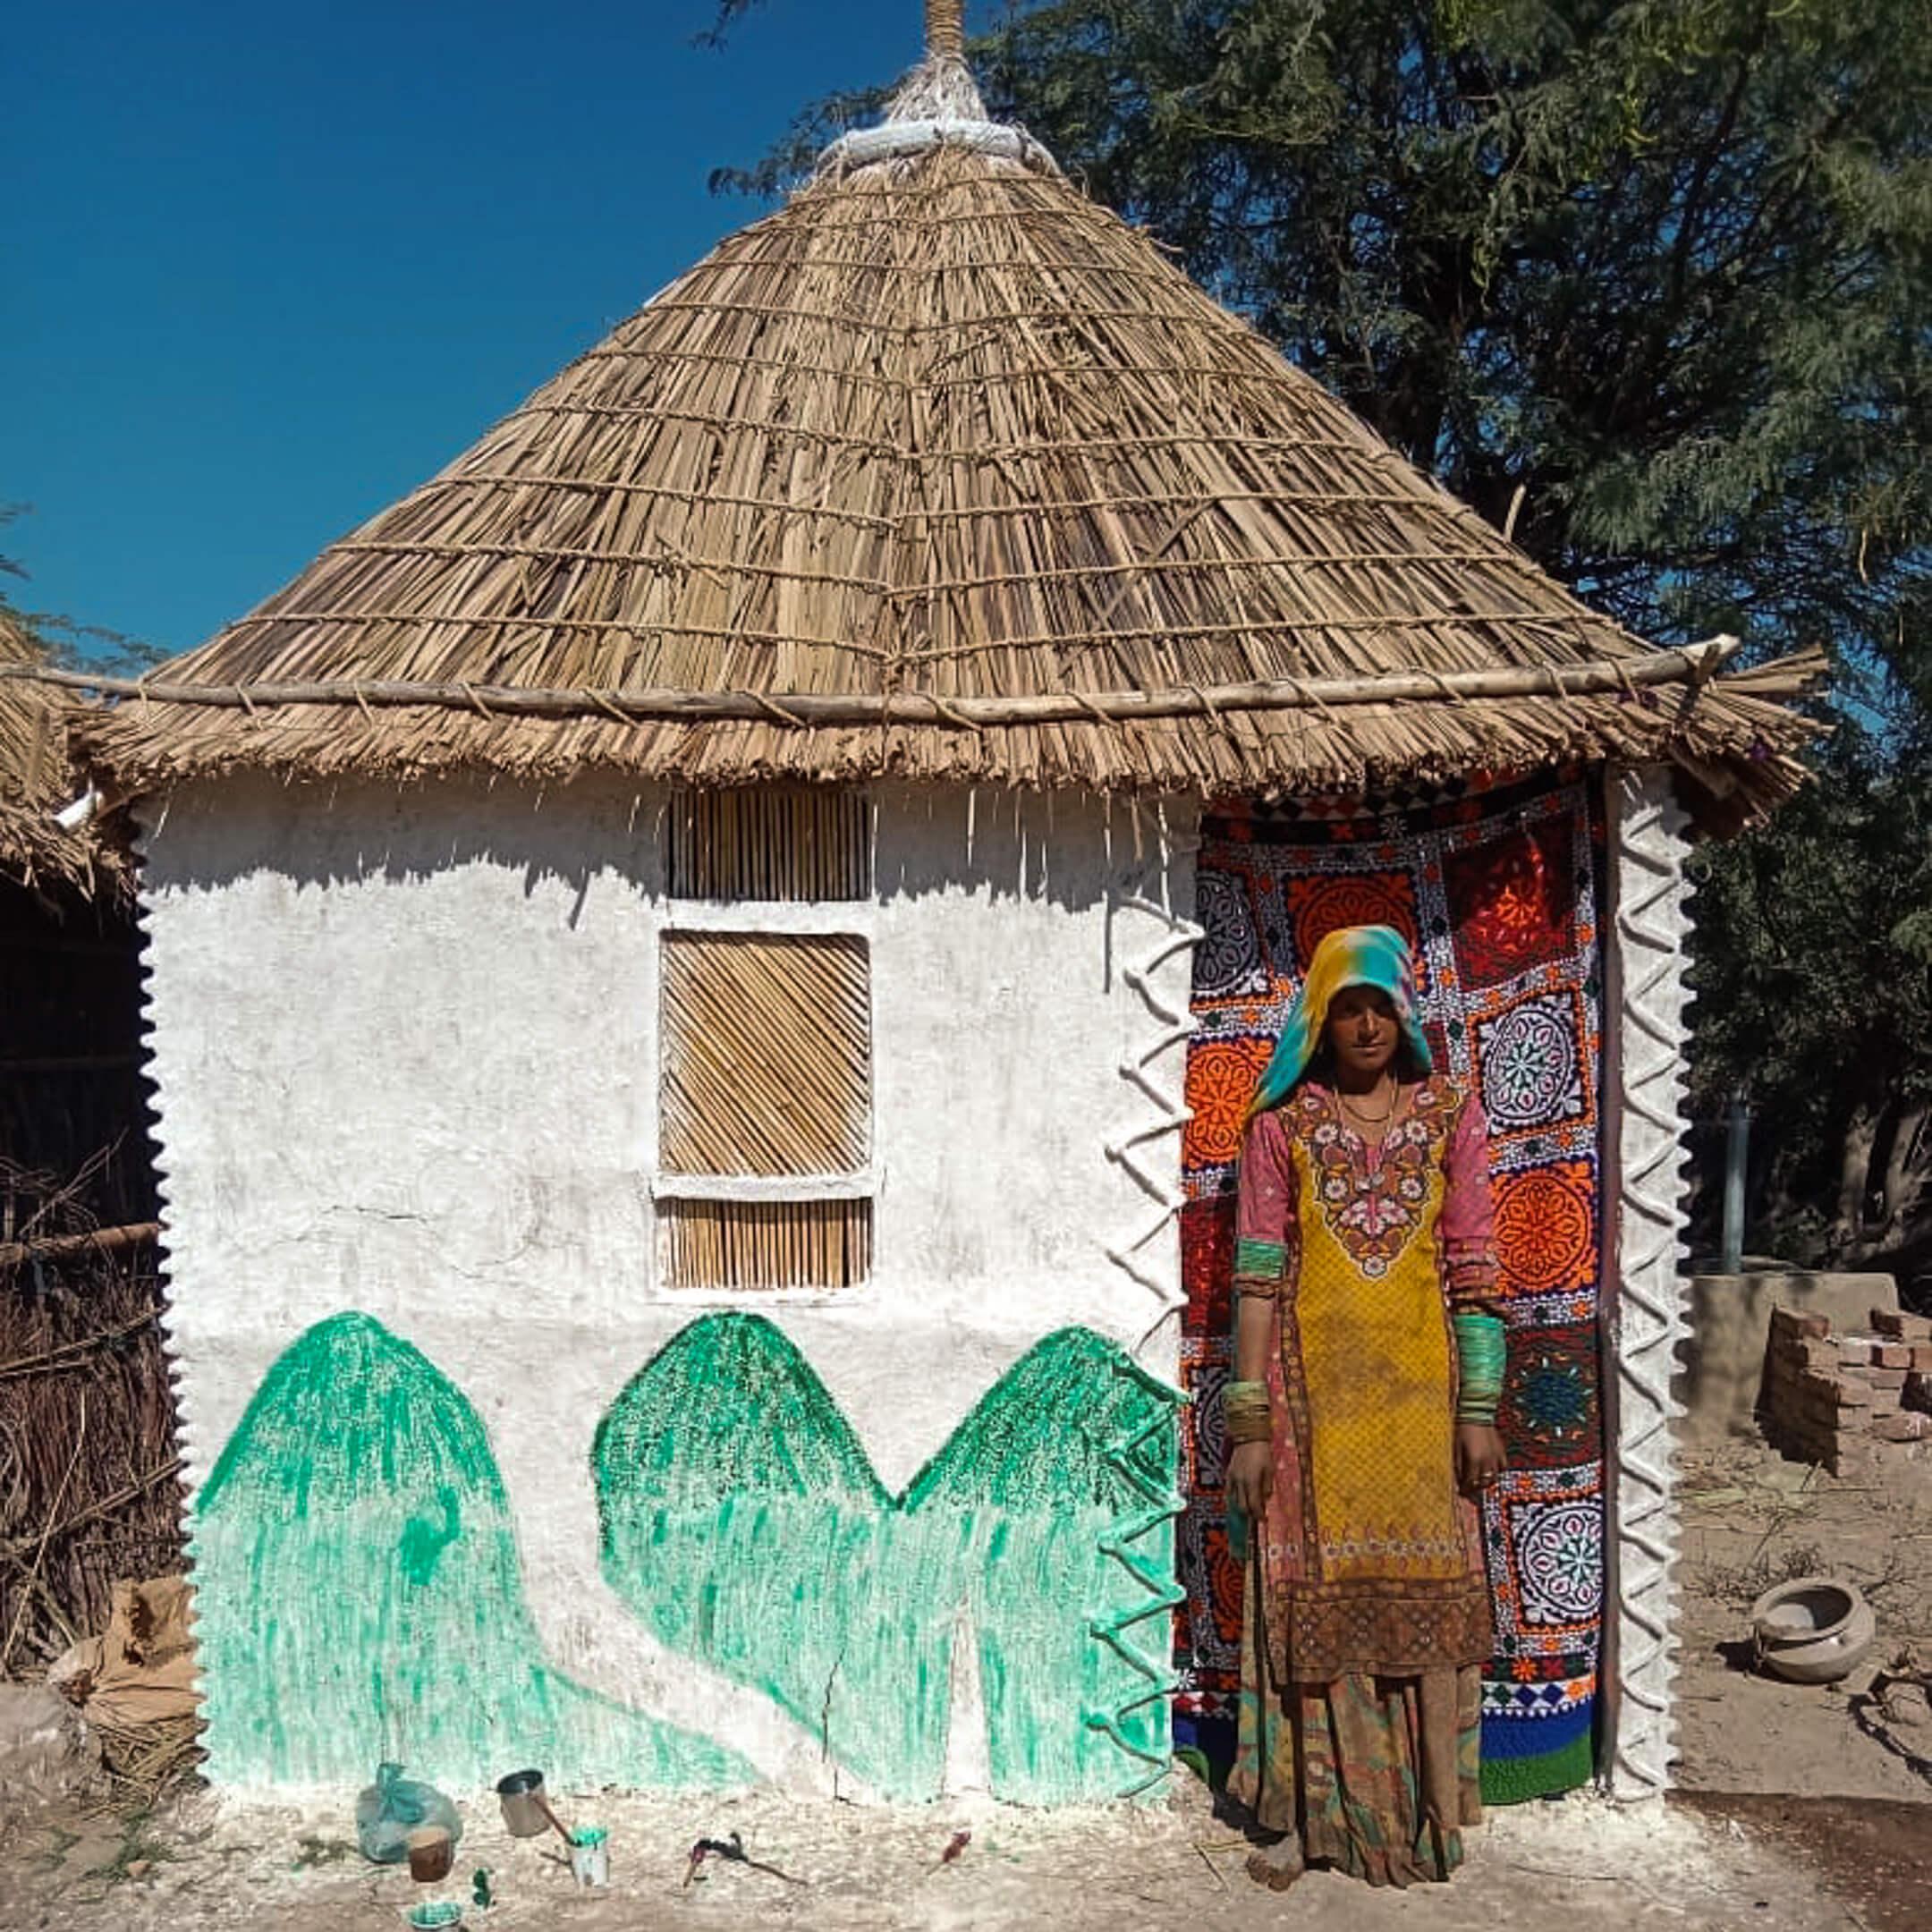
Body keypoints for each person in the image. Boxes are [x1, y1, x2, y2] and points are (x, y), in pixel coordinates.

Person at [1221, 923, 1506, 1890]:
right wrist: (1251, 1426)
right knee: (1316, 1606)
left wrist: (1480, 1409)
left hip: (1423, 1415)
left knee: (1423, 1602)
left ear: (1406, 1014)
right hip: (1314, 1424)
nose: (1368, 1024)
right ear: (1321, 1020)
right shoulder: (1281, 1129)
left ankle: (1423, 1817)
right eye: (1349, 1006)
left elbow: (1474, 1272)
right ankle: (1322, 1820)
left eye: (1382, 1003)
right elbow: (1256, 1279)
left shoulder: (1450, 1115)